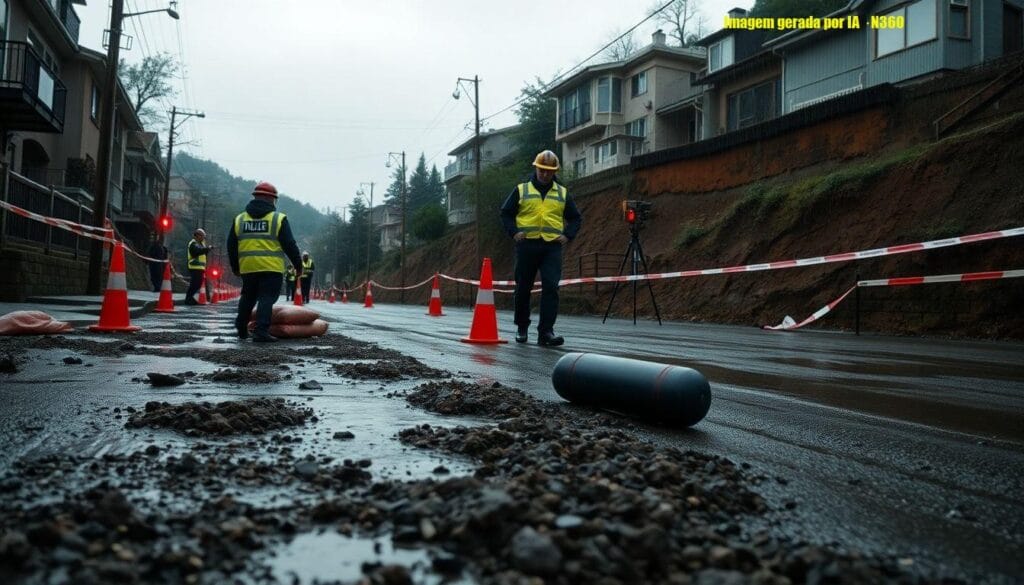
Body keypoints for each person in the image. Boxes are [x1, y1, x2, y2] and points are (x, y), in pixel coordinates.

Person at [499, 150, 582, 346]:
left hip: (551, 247)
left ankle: (546, 332)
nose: (544, 174)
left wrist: (568, 235)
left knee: (551, 288)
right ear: (536, 168)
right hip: (526, 245)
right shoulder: (521, 189)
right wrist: (514, 232)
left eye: (549, 171)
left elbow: (576, 217)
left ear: (555, 172)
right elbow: (506, 213)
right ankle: (522, 327)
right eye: (542, 170)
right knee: (523, 288)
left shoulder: (562, 193)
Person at [227, 181, 303, 342]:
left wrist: (235, 266)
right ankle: (261, 330)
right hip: (271, 268)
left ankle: (241, 328)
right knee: (266, 298)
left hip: (248, 267)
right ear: (272, 200)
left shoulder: (239, 219)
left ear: (255, 198)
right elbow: (289, 244)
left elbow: (231, 245)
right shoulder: (278, 219)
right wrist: (298, 265)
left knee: (247, 297)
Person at [183, 229, 212, 304]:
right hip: (194, 267)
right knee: (194, 284)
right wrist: (207, 249)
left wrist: (207, 249)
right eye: (202, 236)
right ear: (197, 235)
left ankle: (190, 298)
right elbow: (197, 251)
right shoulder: (193, 243)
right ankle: (188, 298)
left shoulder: (201, 244)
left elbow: (202, 252)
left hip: (200, 268)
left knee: (198, 284)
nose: (203, 238)